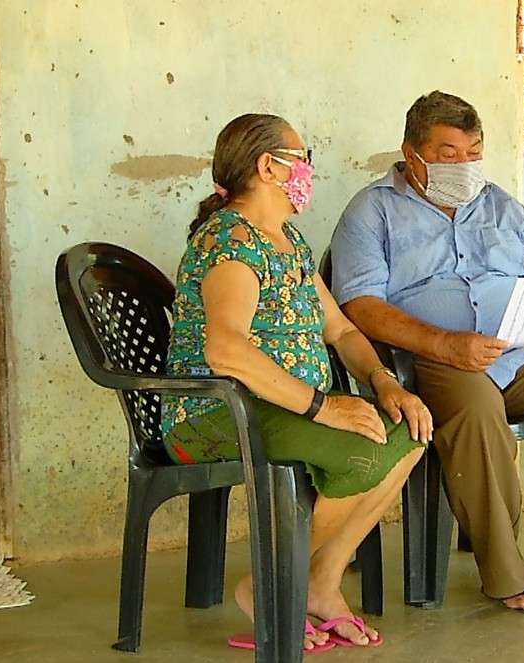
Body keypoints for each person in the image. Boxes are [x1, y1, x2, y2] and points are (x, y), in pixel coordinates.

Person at [330, 91, 524, 614]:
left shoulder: (500, 205)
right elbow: (359, 305)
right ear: (411, 153)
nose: (465, 167)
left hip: (515, 350)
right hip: (431, 358)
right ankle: (505, 570)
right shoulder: (372, 211)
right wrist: (445, 343)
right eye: (449, 155)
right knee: (476, 406)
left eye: (473, 153)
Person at [161, 113, 431, 650]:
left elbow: (342, 329)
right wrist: (323, 409)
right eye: (302, 158)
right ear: (269, 167)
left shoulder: (288, 240)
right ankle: (269, 585)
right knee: (361, 455)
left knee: (412, 433)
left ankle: (320, 586)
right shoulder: (230, 241)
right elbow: (226, 348)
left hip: (283, 408)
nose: (308, 170)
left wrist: (383, 382)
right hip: (216, 415)